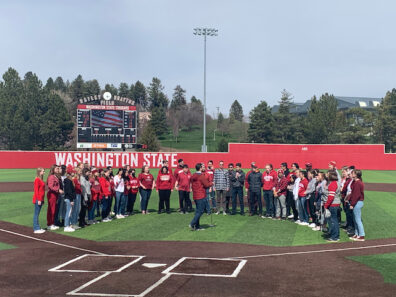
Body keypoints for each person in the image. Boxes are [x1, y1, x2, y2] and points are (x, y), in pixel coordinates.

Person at [189, 163, 213, 231]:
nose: (203, 168)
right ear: (200, 168)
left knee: (197, 211)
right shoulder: (201, 176)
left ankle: (197, 226)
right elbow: (207, 184)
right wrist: (211, 183)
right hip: (201, 195)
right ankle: (192, 223)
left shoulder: (193, 176)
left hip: (195, 195)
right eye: (202, 167)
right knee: (200, 211)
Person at [324, 171, 341, 242]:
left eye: (328, 175)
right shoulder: (336, 183)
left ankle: (334, 237)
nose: (327, 176)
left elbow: (331, 197)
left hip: (333, 204)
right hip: (336, 203)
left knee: (333, 221)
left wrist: (326, 205)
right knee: (335, 220)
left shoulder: (332, 184)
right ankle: (335, 235)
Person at [349, 169, 365, 241]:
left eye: (352, 173)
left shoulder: (358, 183)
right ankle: (357, 234)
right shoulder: (356, 182)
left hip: (357, 202)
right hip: (357, 202)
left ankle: (361, 235)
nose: (351, 174)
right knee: (355, 219)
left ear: (356, 175)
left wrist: (352, 204)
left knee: (357, 219)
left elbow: (356, 195)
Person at [46, 165, 61, 230]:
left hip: (55, 194)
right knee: (51, 209)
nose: (58, 170)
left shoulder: (55, 176)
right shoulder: (52, 177)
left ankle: (52, 223)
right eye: (57, 168)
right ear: (53, 169)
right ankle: (50, 224)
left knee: (53, 209)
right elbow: (50, 186)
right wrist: (58, 189)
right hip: (52, 194)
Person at [33, 167, 46, 234]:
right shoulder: (37, 180)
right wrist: (39, 199)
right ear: (39, 172)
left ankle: (37, 227)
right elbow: (36, 190)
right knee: (36, 214)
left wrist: (42, 200)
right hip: (38, 199)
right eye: (43, 171)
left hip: (40, 199)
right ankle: (36, 228)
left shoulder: (40, 179)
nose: (44, 172)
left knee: (37, 214)